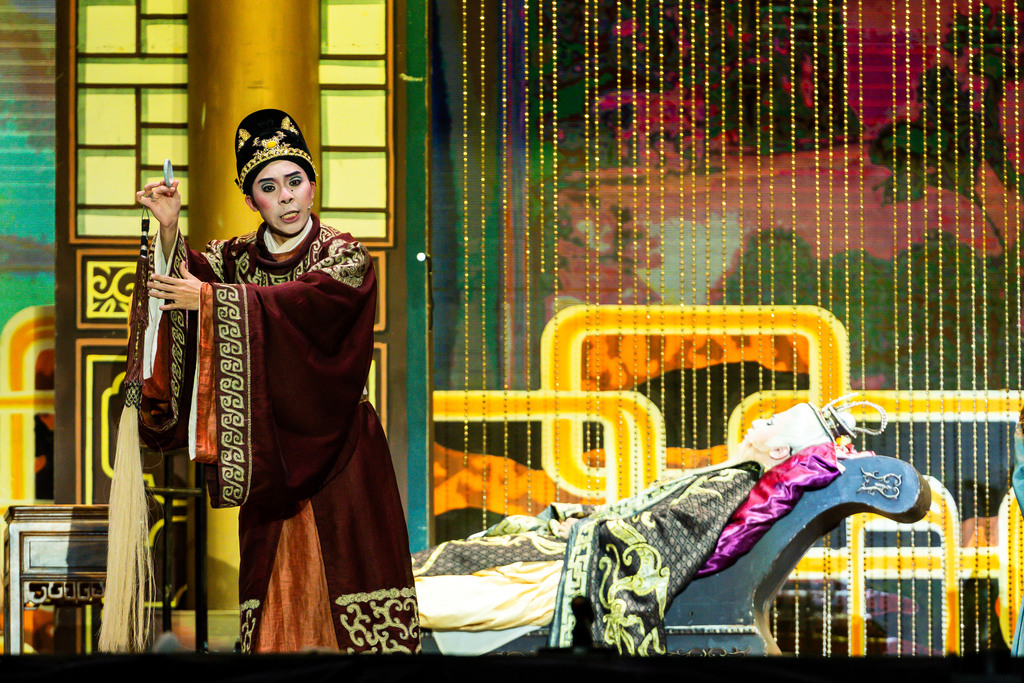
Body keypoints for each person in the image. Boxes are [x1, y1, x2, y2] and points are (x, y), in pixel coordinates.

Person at [135, 109, 419, 653]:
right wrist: (170, 228)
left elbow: (308, 302)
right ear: (251, 201)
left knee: (349, 579)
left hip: (341, 448)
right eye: (268, 187)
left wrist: (213, 301)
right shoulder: (235, 258)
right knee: (272, 590)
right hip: (269, 450)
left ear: (313, 185)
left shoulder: (343, 255)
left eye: (295, 181)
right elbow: (185, 281)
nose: (285, 196)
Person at [414, 397, 882, 655]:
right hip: (576, 552)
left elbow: (669, 532)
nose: (757, 421)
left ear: (779, 452)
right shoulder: (731, 477)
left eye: (771, 422)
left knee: (430, 591)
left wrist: (588, 528)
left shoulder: (732, 483)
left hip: (574, 571)